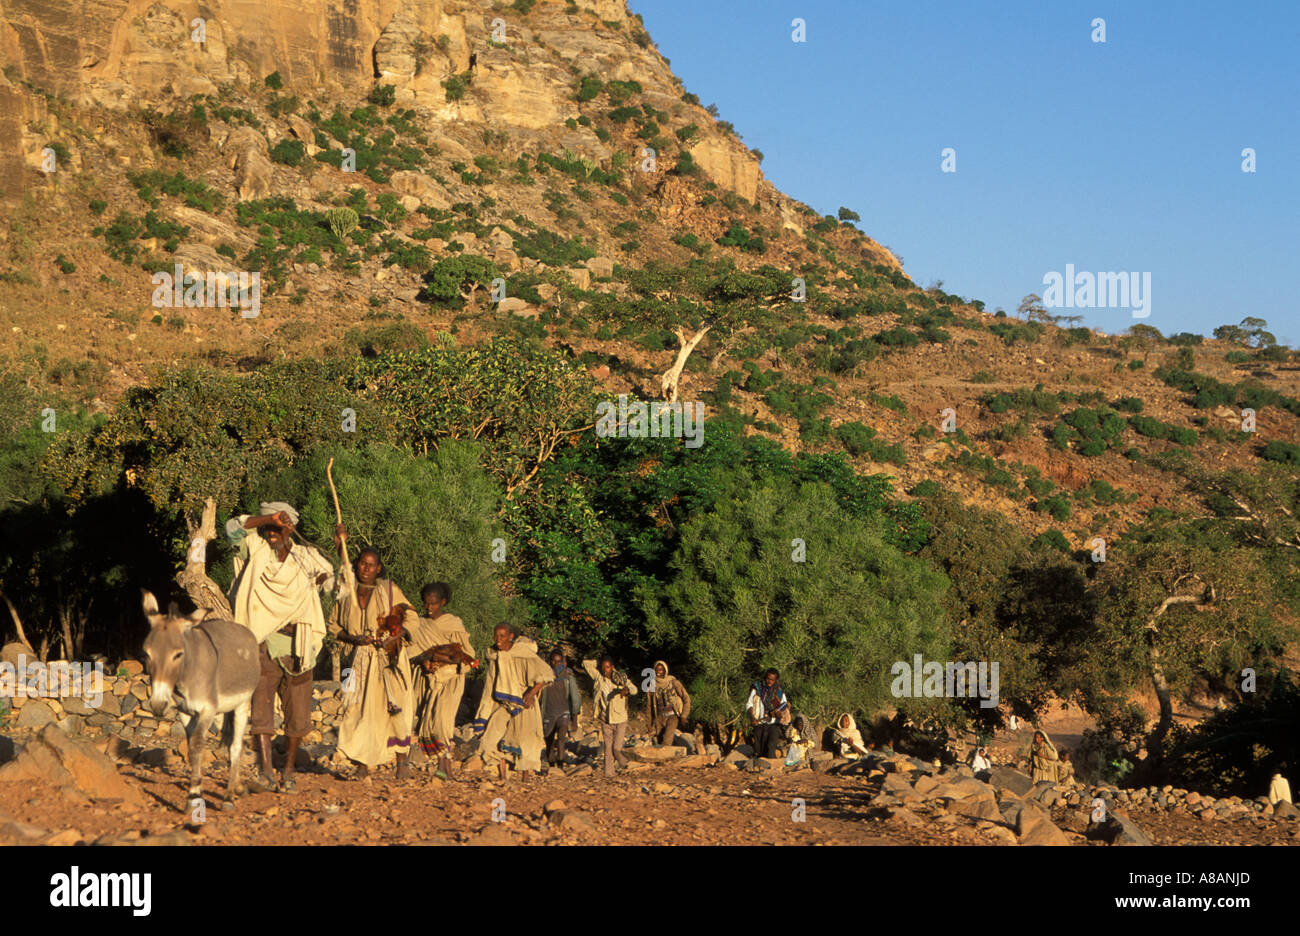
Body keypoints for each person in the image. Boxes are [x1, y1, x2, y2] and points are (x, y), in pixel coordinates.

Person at [226, 502, 335, 793]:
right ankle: (266, 773)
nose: (272, 532)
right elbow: (231, 528)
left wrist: (326, 577)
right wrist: (268, 517)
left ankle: (287, 773)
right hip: (263, 643)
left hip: (300, 646)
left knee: (297, 714)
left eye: (279, 526)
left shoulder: (306, 557)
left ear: (291, 528)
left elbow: (329, 579)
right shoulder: (256, 549)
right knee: (260, 711)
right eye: (269, 526)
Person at [329, 543, 420, 781]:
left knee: (395, 707)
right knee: (354, 708)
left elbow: (411, 615)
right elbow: (334, 626)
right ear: (356, 565)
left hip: (389, 658)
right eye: (362, 563)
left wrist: (396, 636)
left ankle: (402, 761)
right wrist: (352, 638)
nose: (366, 569)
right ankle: (361, 764)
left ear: (379, 568)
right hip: (356, 658)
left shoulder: (389, 589)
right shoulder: (346, 590)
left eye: (371, 565)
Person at [407, 582, 475, 780]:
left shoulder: (454, 624)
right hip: (428, 680)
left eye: (434, 604)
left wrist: (443, 661)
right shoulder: (418, 625)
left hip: (451, 679)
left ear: (443, 602)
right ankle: (443, 767)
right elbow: (412, 654)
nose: (429, 608)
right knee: (428, 721)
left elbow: (467, 655)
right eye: (426, 604)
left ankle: (445, 767)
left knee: (443, 720)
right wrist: (426, 661)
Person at [473, 624, 554, 781]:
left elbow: (545, 674)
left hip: (523, 703)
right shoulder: (493, 655)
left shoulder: (523, 655)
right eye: (496, 636)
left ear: (511, 636)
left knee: (524, 739)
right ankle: (503, 776)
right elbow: (491, 682)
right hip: (500, 703)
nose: (498, 640)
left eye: (502, 636)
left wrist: (531, 694)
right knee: (495, 738)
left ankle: (525, 777)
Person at [583, 656, 638, 778]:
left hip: (620, 719)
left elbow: (634, 689)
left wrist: (626, 690)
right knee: (608, 748)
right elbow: (586, 664)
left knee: (616, 748)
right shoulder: (599, 678)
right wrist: (597, 662)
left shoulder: (620, 678)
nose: (605, 670)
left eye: (607, 667)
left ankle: (626, 764)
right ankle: (609, 773)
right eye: (603, 667)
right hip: (605, 718)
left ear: (612, 667)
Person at [540, 650, 582, 768]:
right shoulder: (544, 676)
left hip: (564, 711)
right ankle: (552, 763)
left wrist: (575, 717)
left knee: (562, 738)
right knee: (549, 741)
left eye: (559, 661)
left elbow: (575, 697)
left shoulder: (568, 676)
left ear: (562, 661)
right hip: (548, 713)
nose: (556, 664)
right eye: (553, 661)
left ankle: (560, 762)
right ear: (550, 661)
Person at [647, 659, 691, 749]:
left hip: (673, 716)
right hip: (659, 717)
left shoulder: (673, 682)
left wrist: (684, 716)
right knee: (660, 741)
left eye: (661, 670)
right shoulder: (652, 686)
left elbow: (686, 698)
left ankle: (665, 759)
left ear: (665, 670)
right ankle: (664, 760)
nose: (658, 672)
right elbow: (649, 706)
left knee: (667, 740)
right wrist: (649, 725)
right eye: (656, 670)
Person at [745, 669, 789, 759]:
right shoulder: (757, 688)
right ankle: (760, 768)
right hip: (759, 723)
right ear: (765, 678)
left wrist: (780, 713)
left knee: (771, 747)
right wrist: (752, 718)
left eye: (772, 680)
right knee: (759, 749)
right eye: (768, 679)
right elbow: (749, 704)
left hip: (774, 723)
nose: (770, 682)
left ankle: (771, 769)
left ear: (776, 680)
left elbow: (785, 705)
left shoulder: (779, 691)